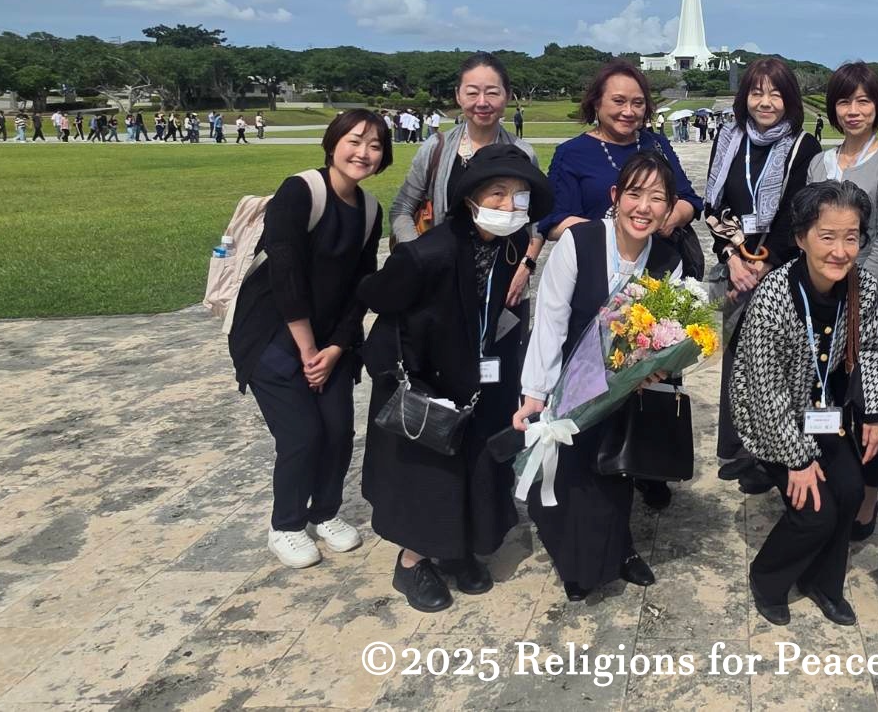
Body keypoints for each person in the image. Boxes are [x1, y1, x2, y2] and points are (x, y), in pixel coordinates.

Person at [359, 144, 552, 612]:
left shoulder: (509, 245)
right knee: (429, 475)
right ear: (470, 199)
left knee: (477, 467)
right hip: (429, 383)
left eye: (519, 196)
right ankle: (411, 562)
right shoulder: (429, 253)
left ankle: (458, 548)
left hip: (483, 378)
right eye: (497, 193)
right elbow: (378, 297)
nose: (509, 205)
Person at [513, 151, 686, 599]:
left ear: (669, 208)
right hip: (567, 384)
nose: (643, 208)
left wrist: (657, 369)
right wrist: (536, 393)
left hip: (623, 391)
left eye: (657, 198)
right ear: (615, 196)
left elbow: (665, 333)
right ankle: (575, 564)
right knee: (570, 477)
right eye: (634, 194)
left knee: (613, 475)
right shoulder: (579, 242)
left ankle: (620, 551)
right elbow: (550, 321)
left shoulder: (668, 260)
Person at [225, 110, 390, 570]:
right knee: (301, 434)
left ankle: (325, 513)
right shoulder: (300, 191)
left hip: (331, 340)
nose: (363, 153)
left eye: (375, 146)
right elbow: (286, 273)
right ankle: (286, 525)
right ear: (333, 143)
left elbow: (361, 286)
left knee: (338, 431)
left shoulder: (369, 210)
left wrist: (335, 348)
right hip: (272, 335)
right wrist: (307, 349)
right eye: (355, 141)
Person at [539, 60, 703, 510]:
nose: (629, 111)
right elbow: (554, 219)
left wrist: (665, 216)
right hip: (598, 280)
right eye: (618, 101)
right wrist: (610, 234)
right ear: (596, 102)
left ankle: (648, 464)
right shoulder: (573, 152)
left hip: (654, 276)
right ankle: (596, 460)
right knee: (598, 376)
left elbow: (689, 198)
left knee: (654, 374)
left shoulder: (656, 144)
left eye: (637, 103)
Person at [731, 180, 878, 627]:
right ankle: (767, 579)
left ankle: (823, 582)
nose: (840, 251)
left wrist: (877, 412)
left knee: (851, 490)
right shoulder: (773, 297)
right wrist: (798, 461)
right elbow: (765, 391)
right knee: (815, 512)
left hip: (822, 412)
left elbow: (870, 349)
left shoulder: (860, 285)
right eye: (827, 237)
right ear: (801, 238)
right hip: (771, 420)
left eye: (851, 237)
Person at [703, 57, 822, 489]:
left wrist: (764, 262)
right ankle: (738, 448)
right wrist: (732, 258)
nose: (765, 102)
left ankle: (771, 451)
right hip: (736, 268)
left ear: (789, 99)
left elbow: (798, 213)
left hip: (780, 269)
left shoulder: (801, 146)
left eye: (775, 93)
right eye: (756, 92)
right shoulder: (729, 139)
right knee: (737, 358)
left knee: (774, 362)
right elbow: (713, 205)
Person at [806, 61, 878, 539]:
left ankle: (868, 498)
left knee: (873, 403)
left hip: (870, 305)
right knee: (826, 397)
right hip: (821, 301)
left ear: (877, 107)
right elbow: (810, 231)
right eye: (845, 101)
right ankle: (832, 481)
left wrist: (853, 298)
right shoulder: (820, 163)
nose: (854, 110)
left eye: (864, 101)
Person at [389, 53, 545, 301]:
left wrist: (527, 265)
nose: (482, 102)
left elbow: (535, 219)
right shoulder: (436, 147)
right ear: (458, 95)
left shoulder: (522, 153)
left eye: (492, 92)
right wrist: (418, 255)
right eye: (472, 93)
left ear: (507, 95)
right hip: (441, 278)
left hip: (502, 280)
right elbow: (402, 208)